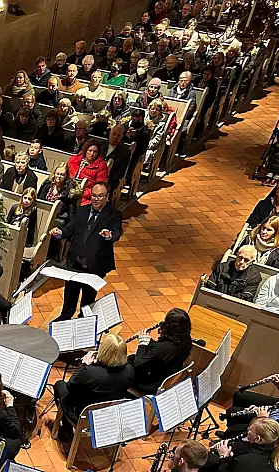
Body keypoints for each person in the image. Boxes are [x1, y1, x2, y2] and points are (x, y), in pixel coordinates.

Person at [50, 182, 122, 319]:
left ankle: (83, 320)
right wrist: (60, 232)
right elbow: (70, 228)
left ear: (107, 197)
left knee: (88, 298)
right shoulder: (82, 210)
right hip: (75, 262)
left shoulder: (113, 214)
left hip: (94, 265)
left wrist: (109, 235)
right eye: (94, 196)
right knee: (70, 292)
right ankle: (65, 316)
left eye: (100, 196)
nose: (96, 199)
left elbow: (117, 232)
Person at [51, 334, 134, 441]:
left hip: (84, 414)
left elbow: (71, 386)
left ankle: (66, 430)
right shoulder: (129, 371)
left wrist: (83, 364)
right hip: (109, 412)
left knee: (60, 385)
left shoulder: (90, 372)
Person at [129, 308, 192, 395]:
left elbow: (139, 363)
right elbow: (161, 352)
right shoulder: (186, 340)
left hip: (150, 384)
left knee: (124, 369)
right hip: (165, 371)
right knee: (131, 357)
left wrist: (142, 343)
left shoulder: (164, 349)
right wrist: (149, 341)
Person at [104, 122, 132, 191]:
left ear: (122, 136)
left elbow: (120, 172)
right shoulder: (101, 145)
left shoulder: (125, 152)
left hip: (110, 181)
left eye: (118, 135)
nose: (115, 137)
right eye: (114, 134)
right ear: (110, 133)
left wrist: (106, 179)